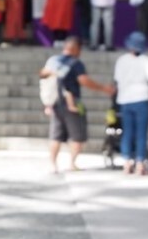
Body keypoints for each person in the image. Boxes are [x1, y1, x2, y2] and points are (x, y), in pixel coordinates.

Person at [39, 36, 115, 173]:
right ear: (76, 49)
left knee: (55, 135)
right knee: (77, 135)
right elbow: (84, 80)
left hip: (55, 103)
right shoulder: (76, 64)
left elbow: (42, 74)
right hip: (72, 104)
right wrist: (103, 88)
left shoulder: (53, 61)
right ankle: (72, 163)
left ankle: (53, 164)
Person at [113, 31, 148, 175]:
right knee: (141, 133)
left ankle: (127, 162)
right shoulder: (146, 61)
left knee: (127, 132)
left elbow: (116, 81)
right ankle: (140, 162)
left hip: (125, 99)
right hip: (142, 99)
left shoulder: (121, 60)